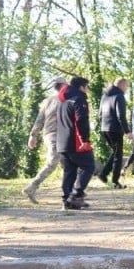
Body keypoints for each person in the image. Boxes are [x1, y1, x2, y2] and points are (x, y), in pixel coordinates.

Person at [23, 77, 66, 204]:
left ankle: (70, 193)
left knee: (67, 164)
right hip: (54, 135)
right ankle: (32, 186)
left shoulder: (47, 101)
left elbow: (39, 119)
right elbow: (40, 118)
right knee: (52, 162)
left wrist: (33, 135)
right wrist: (33, 135)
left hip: (56, 135)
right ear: (63, 86)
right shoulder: (61, 100)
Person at [56, 75, 95, 210]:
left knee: (69, 171)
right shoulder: (78, 99)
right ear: (81, 87)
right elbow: (81, 120)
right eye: (87, 87)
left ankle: (67, 200)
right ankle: (76, 194)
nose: (87, 90)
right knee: (89, 166)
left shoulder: (62, 102)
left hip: (61, 142)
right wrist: (85, 140)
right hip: (75, 142)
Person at [98, 77, 131, 189]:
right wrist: (127, 131)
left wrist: (103, 125)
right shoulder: (119, 96)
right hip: (115, 129)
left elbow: (100, 114)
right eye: (126, 86)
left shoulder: (104, 96)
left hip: (104, 128)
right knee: (118, 155)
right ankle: (115, 182)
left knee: (115, 152)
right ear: (121, 85)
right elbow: (120, 116)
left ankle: (103, 174)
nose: (127, 88)